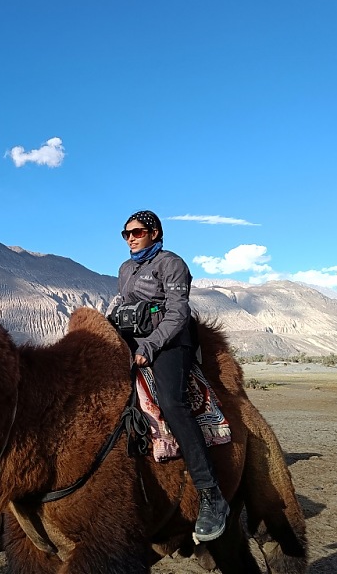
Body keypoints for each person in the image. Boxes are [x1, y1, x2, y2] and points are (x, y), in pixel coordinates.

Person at [108, 210, 230, 542]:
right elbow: (124, 302)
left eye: (137, 232)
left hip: (171, 340)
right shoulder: (126, 268)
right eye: (126, 233)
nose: (130, 238)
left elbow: (178, 311)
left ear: (155, 233)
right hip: (134, 337)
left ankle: (211, 494)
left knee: (173, 403)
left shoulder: (171, 264)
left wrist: (152, 345)